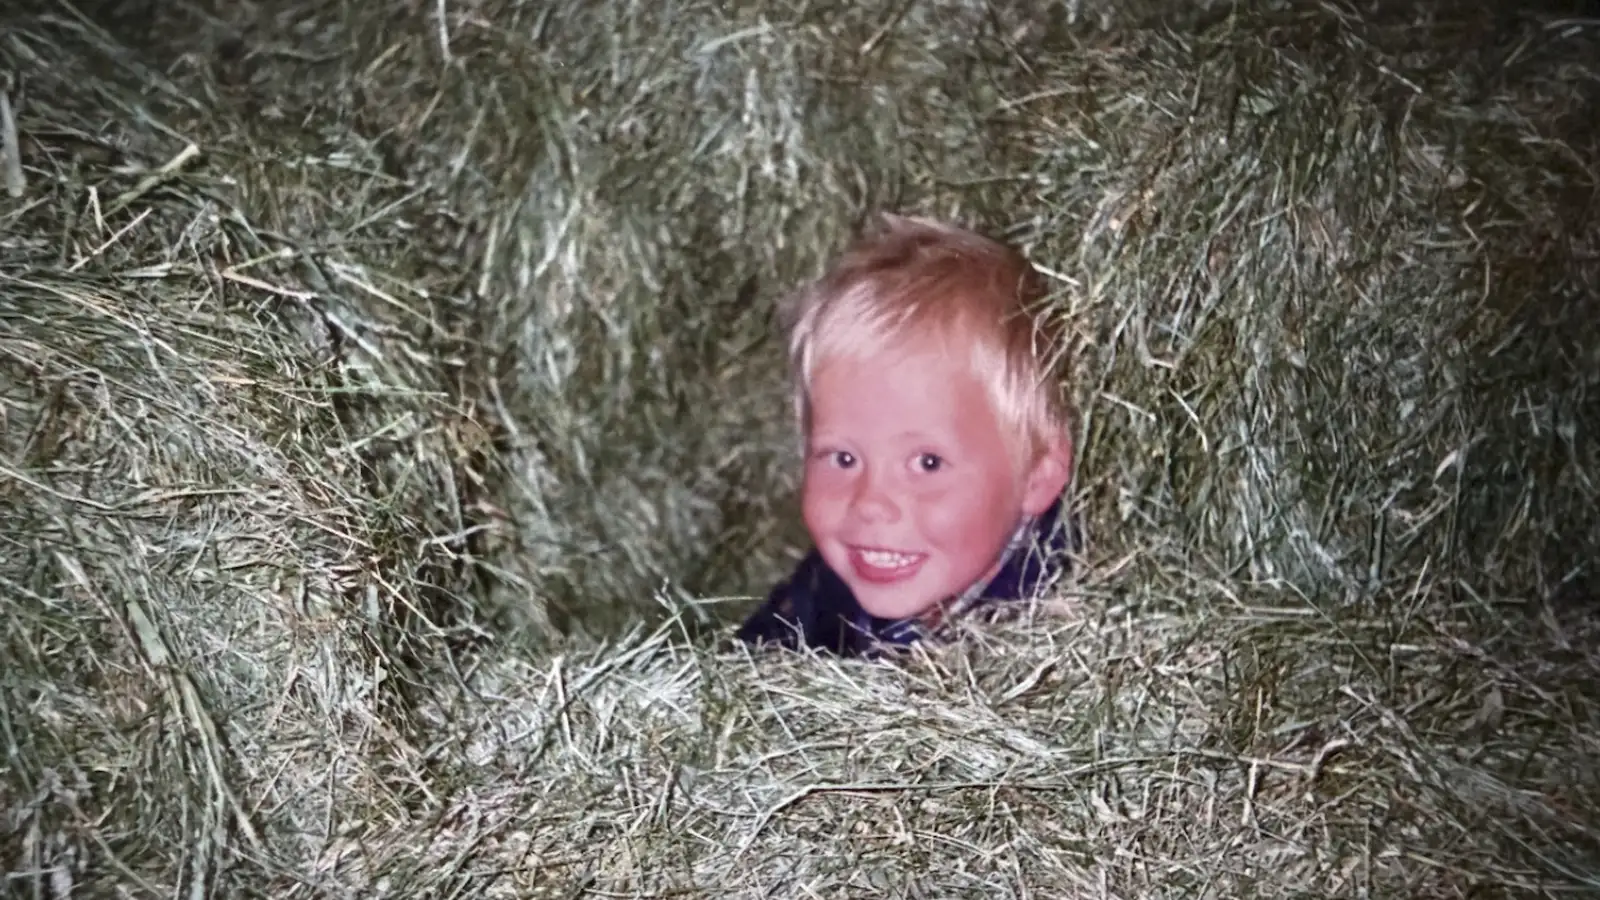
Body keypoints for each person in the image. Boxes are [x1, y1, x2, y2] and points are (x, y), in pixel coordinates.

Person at [735, 213, 1082, 658]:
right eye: (843, 458)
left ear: (1036, 478)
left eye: (927, 463)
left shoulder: (1054, 629)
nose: (869, 504)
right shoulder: (839, 576)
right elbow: (756, 656)